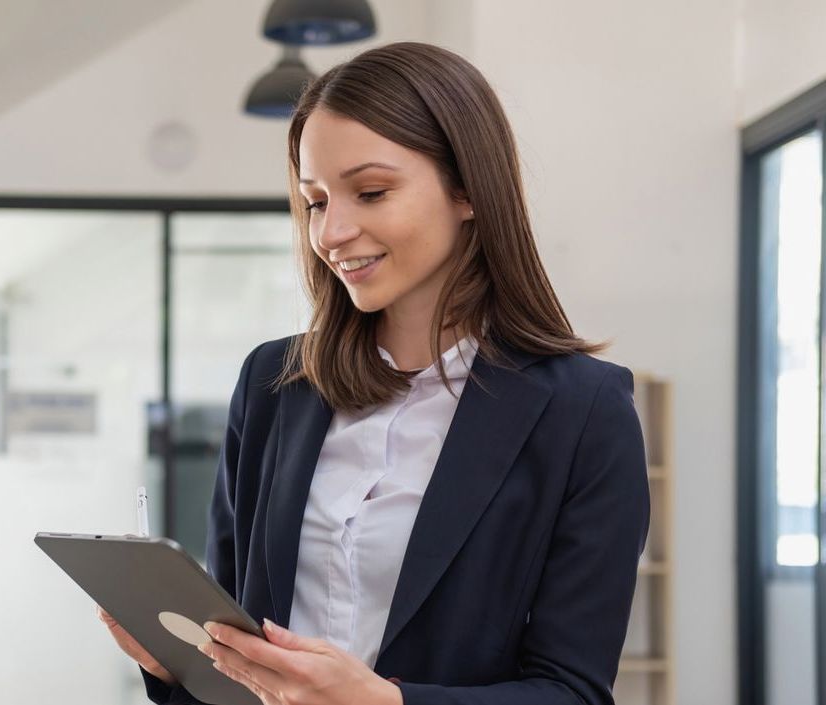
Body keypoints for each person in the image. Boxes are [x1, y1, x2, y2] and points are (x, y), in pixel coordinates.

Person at [99, 41, 649, 705]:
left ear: (467, 188)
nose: (331, 232)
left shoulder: (584, 411)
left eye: (370, 192)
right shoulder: (275, 385)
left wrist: (388, 704)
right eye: (316, 201)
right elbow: (235, 665)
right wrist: (171, 664)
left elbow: (573, 693)